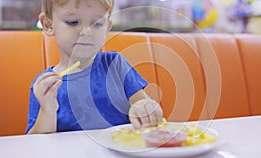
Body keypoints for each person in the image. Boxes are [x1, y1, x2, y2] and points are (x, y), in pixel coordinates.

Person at [26, 0, 163, 134]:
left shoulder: (115, 64)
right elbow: (36, 142)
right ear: (48, 24)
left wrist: (144, 108)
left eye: (97, 24)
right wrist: (47, 110)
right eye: (73, 22)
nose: (86, 32)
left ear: (107, 27)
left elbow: (142, 101)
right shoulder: (45, 85)